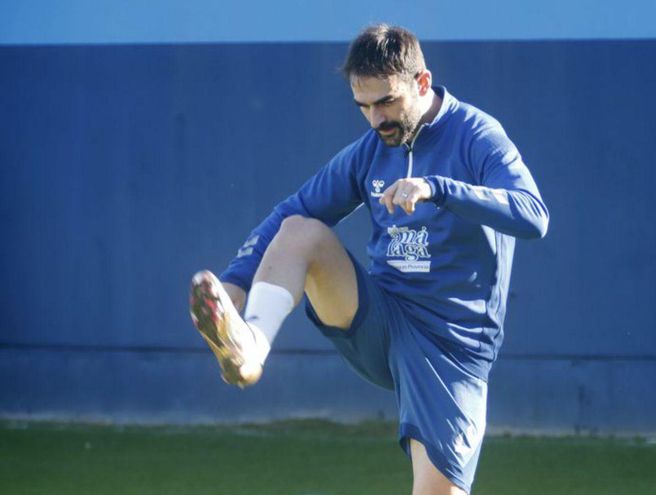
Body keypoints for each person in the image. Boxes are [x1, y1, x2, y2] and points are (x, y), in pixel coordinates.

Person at [188, 24, 549, 494]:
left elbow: (534, 215)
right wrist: (235, 285)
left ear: (422, 83)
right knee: (302, 231)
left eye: (387, 102)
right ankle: (251, 344)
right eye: (364, 107)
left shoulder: (478, 135)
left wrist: (438, 189)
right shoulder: (371, 150)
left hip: (449, 345)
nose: (377, 120)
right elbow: (292, 211)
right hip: (379, 318)